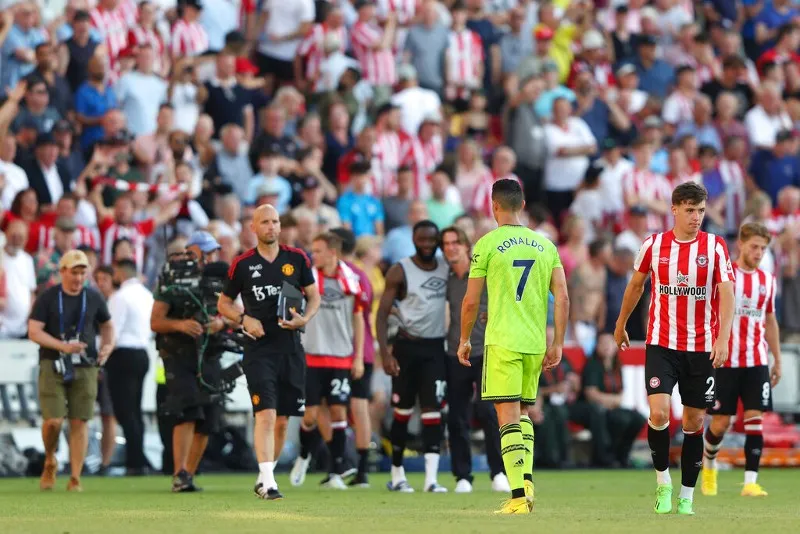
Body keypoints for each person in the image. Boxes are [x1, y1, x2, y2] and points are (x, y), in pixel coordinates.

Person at [614, 181, 735, 516]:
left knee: (694, 421)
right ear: (675, 209)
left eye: (700, 210)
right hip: (661, 344)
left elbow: (726, 294)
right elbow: (636, 285)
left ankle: (686, 495)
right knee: (659, 413)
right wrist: (621, 322)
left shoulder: (715, 247)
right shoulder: (653, 245)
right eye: (690, 210)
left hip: (702, 348)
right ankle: (663, 483)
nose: (696, 217)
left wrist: (723, 338)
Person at [458, 179, 568, 514]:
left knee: (505, 416)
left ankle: (519, 497)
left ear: (494, 205)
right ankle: (527, 480)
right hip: (535, 342)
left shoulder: (486, 244)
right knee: (522, 415)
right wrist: (558, 342)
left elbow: (471, 301)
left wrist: (464, 339)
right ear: (521, 205)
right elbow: (561, 296)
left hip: (503, 340)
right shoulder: (545, 245)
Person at [218, 204, 321, 500]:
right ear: (253, 228)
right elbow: (224, 303)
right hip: (258, 350)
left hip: (291, 348)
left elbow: (313, 296)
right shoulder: (243, 264)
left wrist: (305, 318)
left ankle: (266, 476)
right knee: (266, 414)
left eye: (275, 221)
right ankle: (269, 481)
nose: (272, 227)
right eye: (265, 222)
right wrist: (243, 318)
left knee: (283, 420)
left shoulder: (297, 258)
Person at [702, 222, 782, 497]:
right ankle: (709, 462)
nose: (759, 253)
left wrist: (777, 359)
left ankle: (750, 482)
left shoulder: (767, 281)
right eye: (754, 247)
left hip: (756, 360)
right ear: (741, 244)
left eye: (763, 248)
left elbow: (770, 320)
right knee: (721, 423)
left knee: (754, 419)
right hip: (725, 360)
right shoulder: (725, 277)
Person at [28, 249, 114, 492]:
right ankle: (50, 459)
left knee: (80, 421)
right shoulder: (48, 297)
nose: (78, 278)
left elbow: (108, 325)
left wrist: (108, 346)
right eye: (73, 272)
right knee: (53, 421)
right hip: (53, 362)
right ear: (62, 272)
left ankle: (75, 476)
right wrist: (63, 347)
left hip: (85, 365)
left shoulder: (94, 297)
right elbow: (34, 331)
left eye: (82, 272)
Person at [150, 231, 228, 493]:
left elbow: (233, 314)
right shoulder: (173, 277)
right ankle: (179, 473)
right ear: (192, 250)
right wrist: (181, 324)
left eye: (213, 251)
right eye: (207, 251)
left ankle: (188, 476)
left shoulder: (218, 278)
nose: (211, 256)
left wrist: (220, 323)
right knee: (188, 411)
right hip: (178, 353)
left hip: (210, 352)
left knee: (209, 416)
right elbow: (156, 321)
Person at [377, 220, 449, 494]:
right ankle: (397, 474)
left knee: (433, 411)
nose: (427, 245)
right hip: (406, 347)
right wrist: (385, 352)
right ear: (414, 240)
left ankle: (432, 479)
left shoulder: (446, 268)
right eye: (422, 240)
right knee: (403, 411)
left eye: (432, 240)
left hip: (434, 349)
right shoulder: (400, 270)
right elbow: (382, 314)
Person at [289, 232, 365, 489]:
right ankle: (303, 455)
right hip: (312, 356)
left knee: (338, 412)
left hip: (341, 357)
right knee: (310, 416)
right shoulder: (306, 281)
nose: (313, 255)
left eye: (318, 251)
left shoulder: (351, 282)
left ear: (333, 252)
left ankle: (335, 472)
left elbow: (358, 319)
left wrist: (358, 357)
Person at [441, 225, 508, 494]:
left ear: (466, 245)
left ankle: (499, 472)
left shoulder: (484, 274)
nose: (451, 247)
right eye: (446, 243)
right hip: (454, 353)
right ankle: (463, 476)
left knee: (488, 412)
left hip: (485, 351)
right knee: (457, 416)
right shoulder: (445, 278)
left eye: (456, 242)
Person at [330, 227, 375, 487]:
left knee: (330, 404)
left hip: (344, 350)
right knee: (359, 407)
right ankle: (360, 468)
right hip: (362, 349)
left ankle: (343, 462)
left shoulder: (343, 274)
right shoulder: (361, 275)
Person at [105, 258, 154, 475]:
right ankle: (137, 458)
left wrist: (102, 355)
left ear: (119, 273)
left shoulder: (120, 297)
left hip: (122, 355)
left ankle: (134, 461)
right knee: (135, 409)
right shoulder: (147, 295)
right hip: (142, 353)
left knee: (125, 411)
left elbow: (112, 329)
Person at [570, 333, 646, 468]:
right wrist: (611, 401)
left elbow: (621, 395)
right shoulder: (593, 365)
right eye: (602, 343)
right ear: (597, 347)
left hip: (610, 407)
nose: (606, 347)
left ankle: (622, 455)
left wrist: (611, 401)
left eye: (609, 343)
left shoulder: (617, 366)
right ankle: (604, 456)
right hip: (590, 408)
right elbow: (591, 394)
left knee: (638, 418)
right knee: (615, 417)